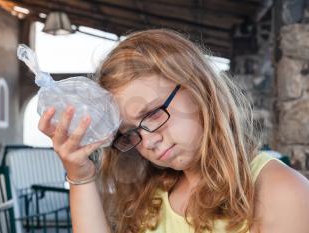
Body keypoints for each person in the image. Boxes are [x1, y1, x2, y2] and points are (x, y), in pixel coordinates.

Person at [38, 29, 309, 233]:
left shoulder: (280, 192)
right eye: (130, 132)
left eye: (153, 113)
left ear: (198, 88)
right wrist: (80, 175)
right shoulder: (152, 193)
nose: (148, 141)